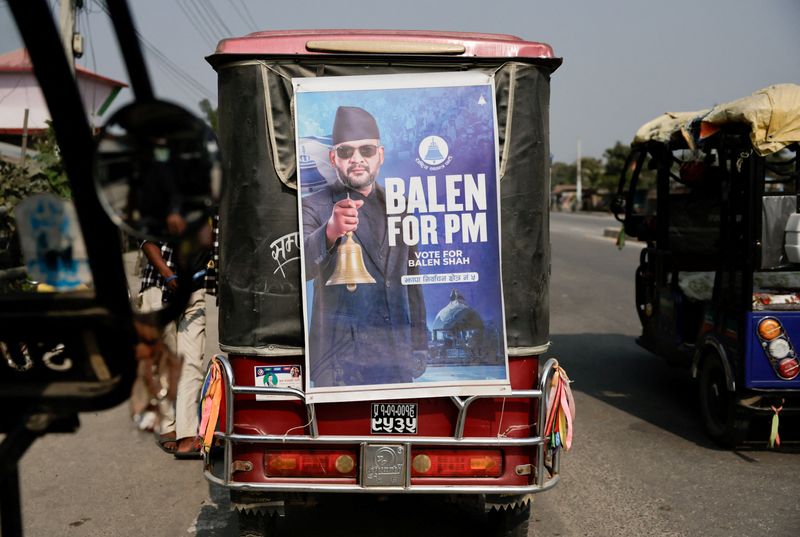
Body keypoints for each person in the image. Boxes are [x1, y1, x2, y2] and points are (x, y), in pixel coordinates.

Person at [302, 106, 427, 388]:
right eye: (346, 152)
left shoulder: (400, 207)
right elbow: (299, 269)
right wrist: (330, 231)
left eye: (366, 150)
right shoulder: (315, 206)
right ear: (334, 158)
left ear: (380, 156)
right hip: (339, 362)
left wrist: (419, 344)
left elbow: (412, 281)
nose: (357, 159)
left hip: (394, 357)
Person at [134, 221, 216, 458]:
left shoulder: (214, 205)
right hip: (161, 287)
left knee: (191, 362)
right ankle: (168, 426)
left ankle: (187, 434)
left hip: (194, 290)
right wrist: (168, 275)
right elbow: (147, 241)